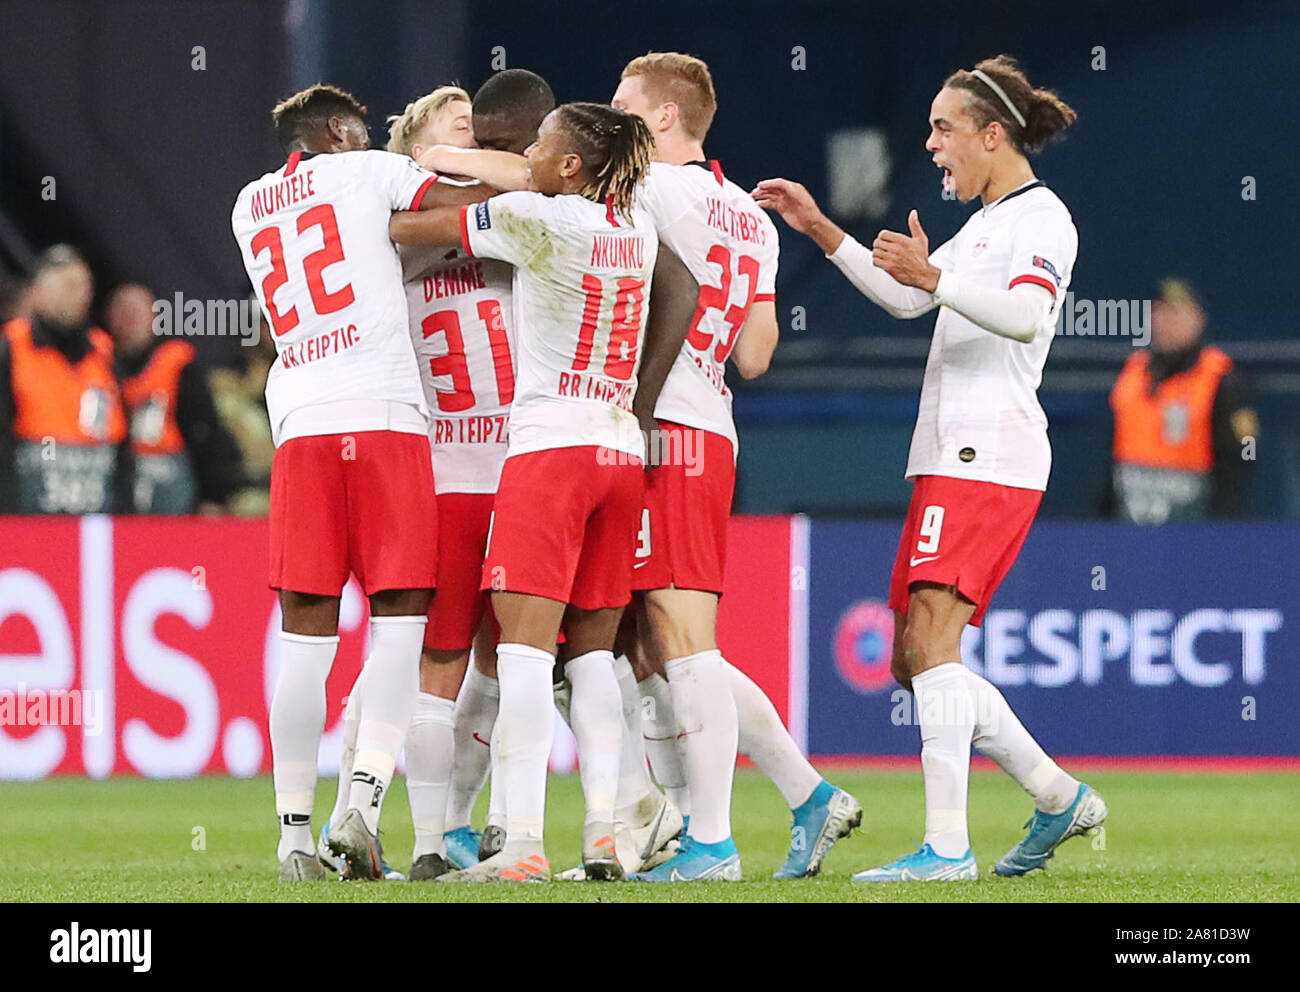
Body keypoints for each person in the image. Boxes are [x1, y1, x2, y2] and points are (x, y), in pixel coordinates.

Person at [756, 54, 1108, 881]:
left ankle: (947, 848)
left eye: (944, 129)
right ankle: (1056, 797)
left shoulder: (1041, 218)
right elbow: (911, 298)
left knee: (933, 641)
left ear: (994, 135)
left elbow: (1024, 317)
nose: (932, 145)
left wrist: (938, 275)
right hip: (950, 455)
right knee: (913, 661)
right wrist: (818, 227)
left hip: (990, 451)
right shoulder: (984, 222)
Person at [388, 102, 696, 882]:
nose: (529, 150)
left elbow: (409, 231)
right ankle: (604, 834)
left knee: (523, 655)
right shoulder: (637, 230)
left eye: (542, 143)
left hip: (548, 450)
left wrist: (420, 165)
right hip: (619, 450)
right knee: (592, 660)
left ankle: (520, 842)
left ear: (568, 167)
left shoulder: (538, 219)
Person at [611, 51, 863, 882]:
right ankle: (797, 799)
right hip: (709, 426)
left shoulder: (645, 191)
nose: (612, 121)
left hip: (664, 432)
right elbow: (756, 353)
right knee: (653, 646)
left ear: (663, 118)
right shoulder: (748, 216)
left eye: (623, 107)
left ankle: (713, 844)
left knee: (682, 646)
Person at [231, 83, 442, 882]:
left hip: (304, 426)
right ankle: (360, 801)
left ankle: (291, 837)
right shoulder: (366, 170)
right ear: (335, 131)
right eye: (360, 129)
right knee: (399, 621)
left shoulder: (249, 204)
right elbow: (460, 202)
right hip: (384, 412)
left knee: (304, 640)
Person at [1107, 278, 1255, 522]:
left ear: (1198, 319)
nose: (1166, 323)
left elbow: (1245, 452)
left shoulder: (1221, 377)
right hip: (1130, 518)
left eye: (1176, 314)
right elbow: (1111, 456)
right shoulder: (1133, 372)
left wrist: (1224, 526)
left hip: (1195, 523)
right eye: (1160, 313)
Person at [0, 245, 130, 514]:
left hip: (95, 521)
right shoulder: (11, 349)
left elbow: (123, 447)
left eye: (84, 286)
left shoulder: (104, 354)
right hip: (28, 518)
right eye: (68, 286)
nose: (79, 296)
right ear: (38, 292)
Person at [104, 283, 242, 514]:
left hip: (174, 498)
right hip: (115, 499)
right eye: (122, 310)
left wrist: (212, 496)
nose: (130, 318)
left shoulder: (178, 365)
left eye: (137, 310)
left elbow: (205, 434)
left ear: (155, 316)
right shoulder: (97, 364)